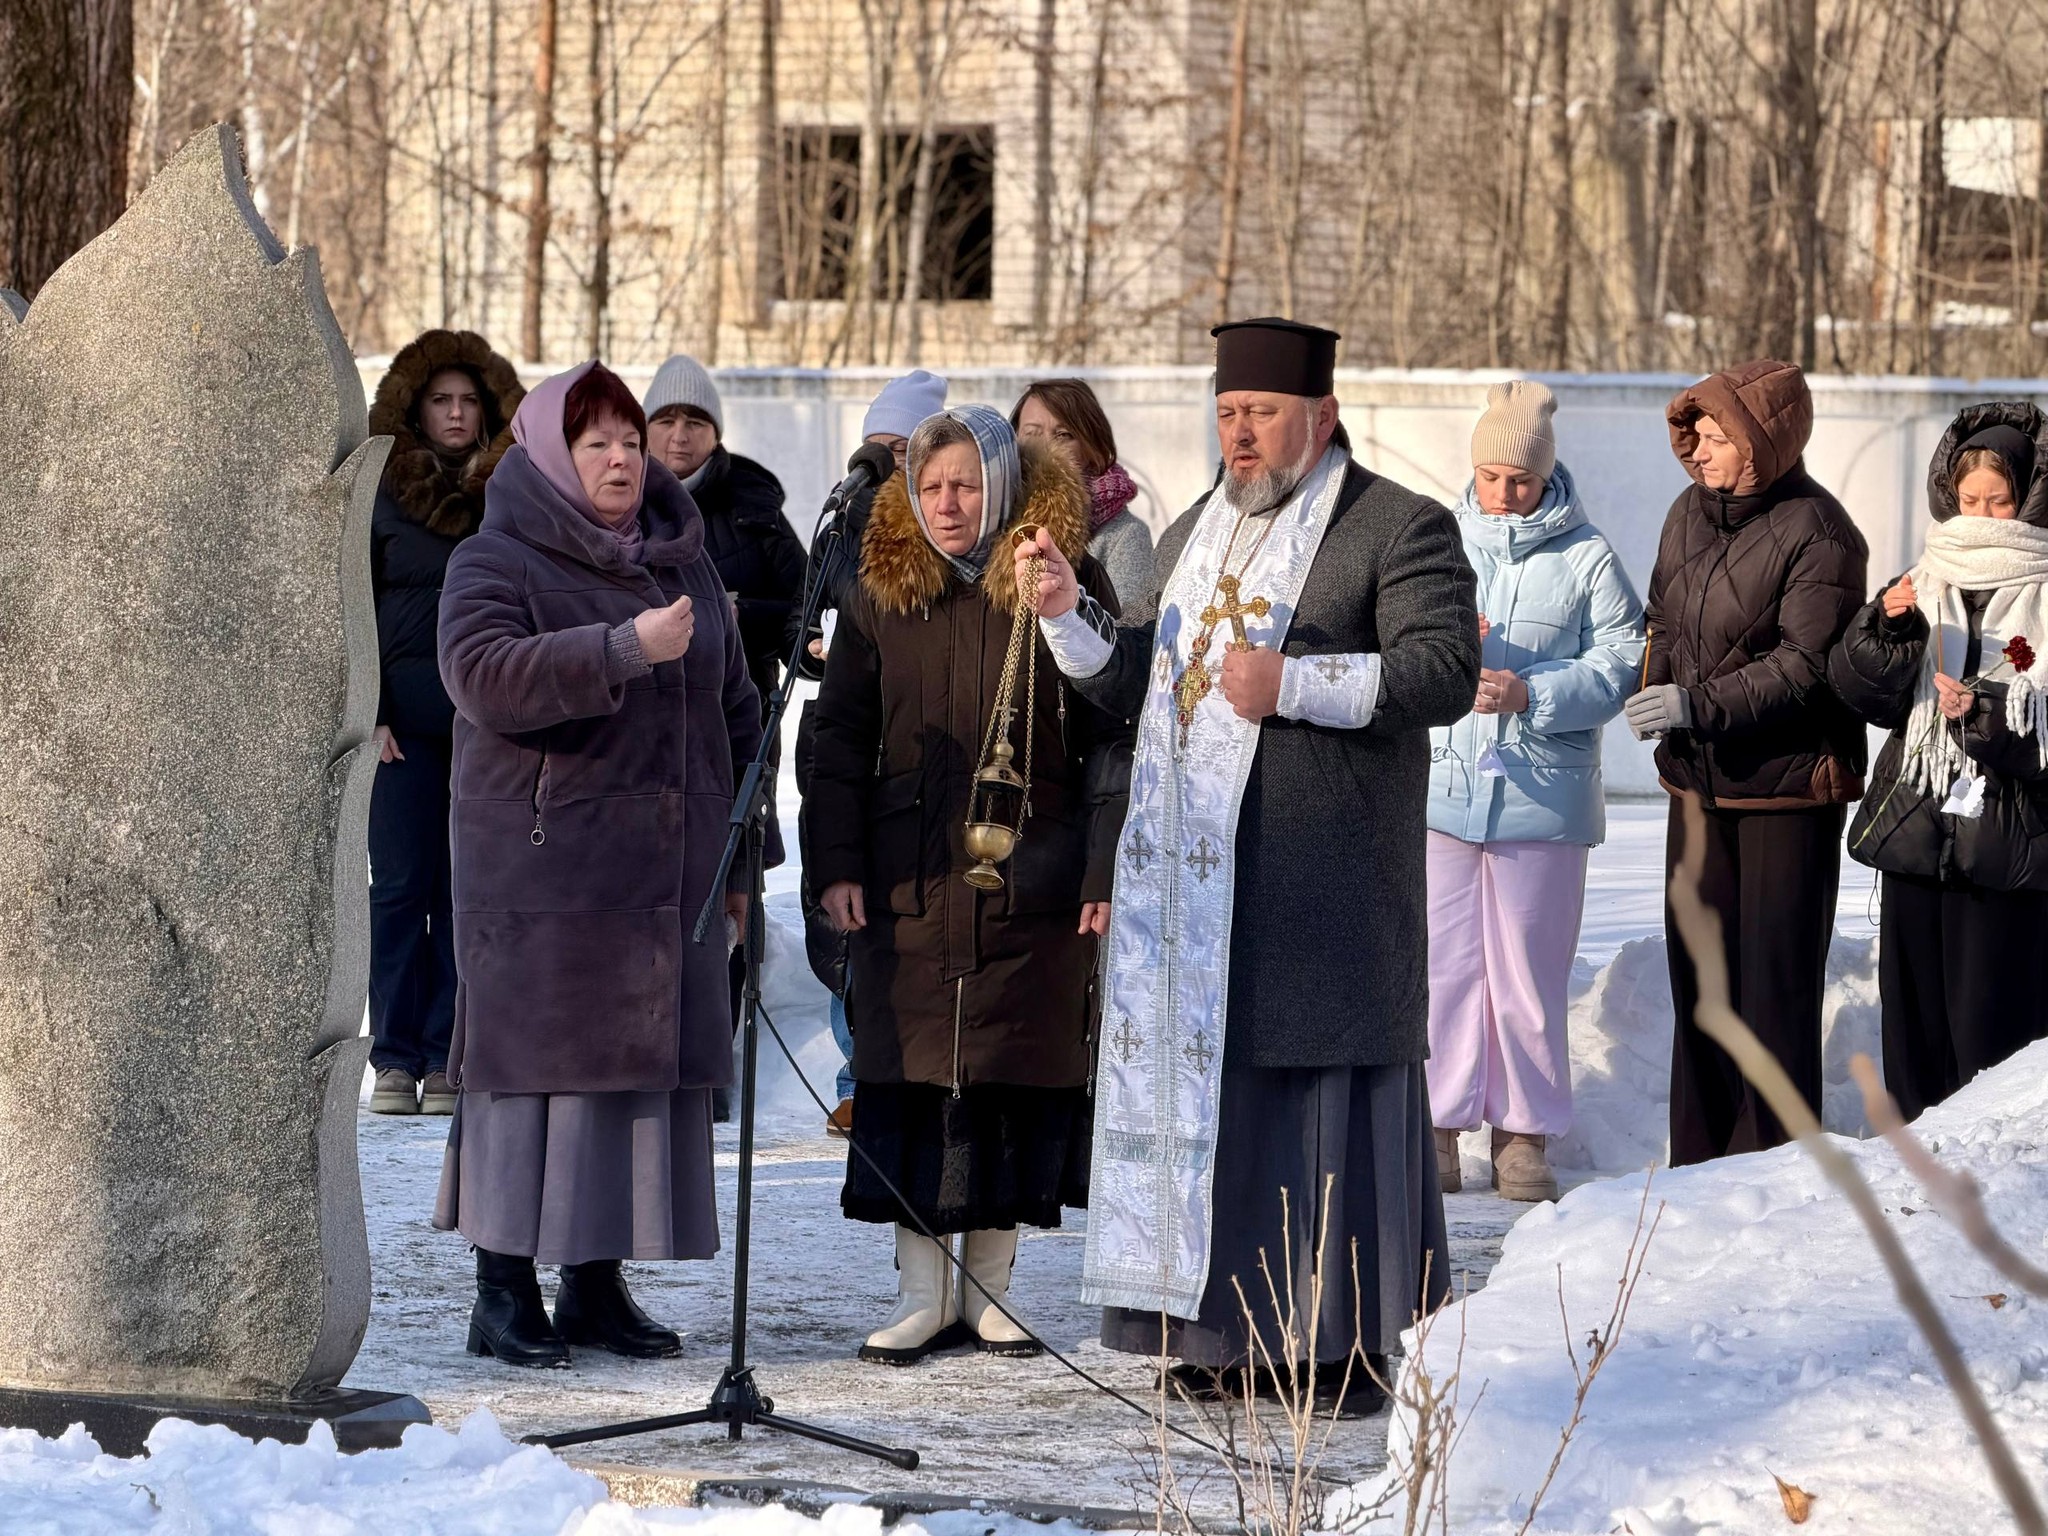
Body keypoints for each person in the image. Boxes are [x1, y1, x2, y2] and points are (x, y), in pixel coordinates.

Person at [1020, 318, 1479, 1405]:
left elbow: (1444, 672)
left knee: (1319, 1118)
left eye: (1262, 413)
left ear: (1320, 415)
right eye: (1227, 413)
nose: (1240, 434)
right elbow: (1144, 679)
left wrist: (1297, 685)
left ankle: (1336, 1350)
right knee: (1218, 1121)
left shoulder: (1397, 524)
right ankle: (1217, 1340)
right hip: (1199, 899)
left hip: (1327, 893)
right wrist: (1068, 618)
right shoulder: (1194, 530)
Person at [433, 361, 762, 1368]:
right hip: (543, 878)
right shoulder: (494, 557)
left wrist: (740, 864)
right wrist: (619, 648)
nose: (622, 459)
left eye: (629, 441)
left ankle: (593, 1285)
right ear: (549, 456)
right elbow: (480, 676)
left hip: (665, 879)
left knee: (626, 1087)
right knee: (531, 1084)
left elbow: (737, 710)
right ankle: (501, 1292)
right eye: (596, 444)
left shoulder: (682, 564)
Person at [807, 404, 1131, 1365]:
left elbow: (1114, 728)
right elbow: (837, 737)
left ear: (1004, 485)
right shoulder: (880, 589)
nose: (948, 504)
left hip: (1032, 874)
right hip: (907, 877)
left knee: (1005, 1076)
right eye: (932, 486)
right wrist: (836, 863)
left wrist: (1102, 864)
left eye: (967, 485)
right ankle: (921, 1293)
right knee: (911, 1077)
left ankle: (990, 1290)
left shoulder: (1061, 576)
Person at [1624, 360, 1867, 1167]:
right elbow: (1662, 617)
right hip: (1697, 783)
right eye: (1693, 435)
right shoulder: (1685, 513)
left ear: (1764, 442)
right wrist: (1651, 687)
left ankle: (1772, 1167)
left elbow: (1806, 665)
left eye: (1717, 437)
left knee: (1773, 987)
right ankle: (1697, 1164)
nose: (1698, 451)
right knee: (1701, 982)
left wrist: (1697, 704)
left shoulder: (1821, 532)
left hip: (1787, 790)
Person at [1425, 382, 1643, 1202]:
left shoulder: (1587, 556)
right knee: (1442, 967)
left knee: (1527, 970)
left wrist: (1534, 693)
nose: (1504, 492)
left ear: (1546, 476)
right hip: (1442, 792)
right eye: (1490, 476)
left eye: (1520, 478)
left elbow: (1623, 660)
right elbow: (1399, 637)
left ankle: (1523, 1135)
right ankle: (1436, 1126)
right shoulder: (1438, 541)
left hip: (1544, 801)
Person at [1829, 403, 2048, 1121]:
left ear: (2031, 498)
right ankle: (1913, 1153)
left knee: (1993, 1026)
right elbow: (1866, 695)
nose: (1981, 514)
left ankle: (1994, 1163)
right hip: (1919, 832)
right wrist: (1885, 631)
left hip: (2009, 846)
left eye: (1999, 500)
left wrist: (1986, 715)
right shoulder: (1925, 576)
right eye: (1970, 498)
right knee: (1915, 1019)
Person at [364, 330, 525, 1117]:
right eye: (440, 400)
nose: (456, 412)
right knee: (399, 890)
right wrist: (369, 715)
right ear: (415, 409)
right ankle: (395, 1058)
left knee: (466, 894)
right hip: (398, 733)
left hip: (484, 729)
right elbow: (349, 609)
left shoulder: (515, 497)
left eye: (468, 400)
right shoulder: (377, 494)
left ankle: (448, 1055)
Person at [792, 369, 948, 1139]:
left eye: (903, 448)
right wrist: (816, 646)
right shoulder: (839, 525)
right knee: (841, 912)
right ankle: (856, 1074)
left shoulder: (946, 525)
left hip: (920, 744)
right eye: (877, 447)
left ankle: (914, 1071)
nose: (887, 463)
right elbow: (796, 624)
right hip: (844, 733)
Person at [643, 355, 800, 1121]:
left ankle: (713, 1061)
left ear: (716, 431)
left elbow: (802, 605)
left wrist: (738, 615)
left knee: (732, 883)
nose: (680, 435)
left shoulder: (754, 504)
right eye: (666, 420)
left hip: (739, 715)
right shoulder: (622, 503)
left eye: (695, 421)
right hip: (646, 723)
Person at [1012, 378, 1157, 621]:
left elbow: (1128, 631)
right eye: (1032, 433)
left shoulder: (1124, 535)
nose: (1046, 446)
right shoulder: (994, 514)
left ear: (1092, 448)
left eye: (1063, 435)